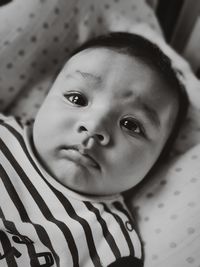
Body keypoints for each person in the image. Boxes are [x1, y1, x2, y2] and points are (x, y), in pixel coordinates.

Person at [0, 32, 188, 267]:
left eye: (131, 125)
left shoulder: (111, 244)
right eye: (77, 98)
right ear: (44, 101)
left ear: (157, 161)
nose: (94, 126)